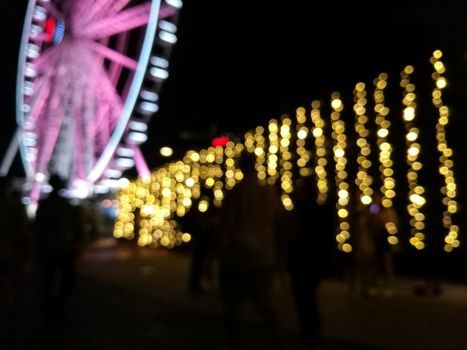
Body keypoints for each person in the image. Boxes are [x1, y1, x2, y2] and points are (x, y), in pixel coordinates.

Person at [216, 151, 287, 349]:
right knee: (265, 304)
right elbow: (279, 223)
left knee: (232, 306)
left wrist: (220, 251)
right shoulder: (269, 193)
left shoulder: (237, 192)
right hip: (265, 253)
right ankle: (277, 341)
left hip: (238, 255)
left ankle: (234, 343)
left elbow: (228, 225)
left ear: (240, 166)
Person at [287, 179, 334, 350]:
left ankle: (309, 334)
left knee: (304, 300)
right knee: (309, 299)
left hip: (302, 261)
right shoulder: (323, 211)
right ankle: (312, 334)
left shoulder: (301, 211)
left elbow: (292, 234)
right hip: (315, 261)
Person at [34, 174, 84, 323]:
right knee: (67, 280)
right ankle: (58, 308)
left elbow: (38, 228)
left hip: (49, 248)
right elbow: (75, 227)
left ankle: (48, 310)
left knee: (48, 281)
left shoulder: (44, 204)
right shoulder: (66, 205)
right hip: (64, 248)